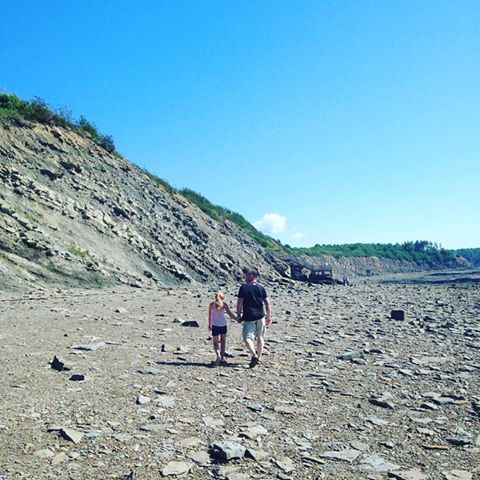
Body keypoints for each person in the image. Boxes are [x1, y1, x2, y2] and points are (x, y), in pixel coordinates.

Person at [236, 269, 272, 368]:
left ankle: (254, 355)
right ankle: (259, 358)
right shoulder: (261, 287)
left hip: (249, 316)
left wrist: (238, 315)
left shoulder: (243, 287)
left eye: (246, 275)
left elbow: (240, 303)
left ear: (252, 276)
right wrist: (268, 315)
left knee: (247, 337)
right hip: (260, 315)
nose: (245, 277)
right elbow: (267, 303)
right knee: (260, 337)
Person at [208, 291, 236, 366]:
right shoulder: (224, 305)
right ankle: (222, 358)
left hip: (215, 325)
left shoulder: (211, 305)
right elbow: (230, 314)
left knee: (215, 342)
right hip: (223, 325)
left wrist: (209, 325)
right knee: (223, 341)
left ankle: (218, 355)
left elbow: (210, 315)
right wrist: (237, 318)